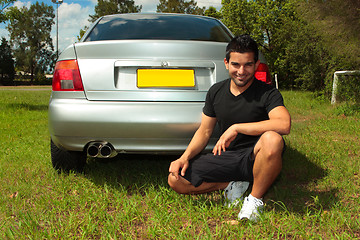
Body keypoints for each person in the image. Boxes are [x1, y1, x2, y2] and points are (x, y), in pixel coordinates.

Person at [168, 34, 291, 221]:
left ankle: (254, 200)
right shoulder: (216, 91)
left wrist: (237, 128)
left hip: (258, 156)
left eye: (248, 64)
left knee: (273, 139)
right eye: (236, 64)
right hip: (228, 156)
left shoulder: (268, 93)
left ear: (256, 65)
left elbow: (283, 124)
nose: (241, 71)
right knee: (175, 179)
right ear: (226, 63)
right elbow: (205, 131)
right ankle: (232, 184)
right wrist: (184, 157)